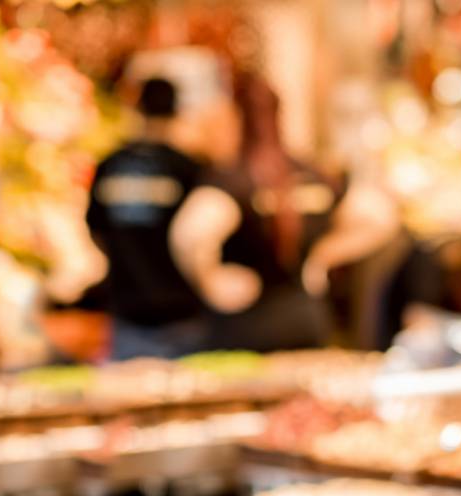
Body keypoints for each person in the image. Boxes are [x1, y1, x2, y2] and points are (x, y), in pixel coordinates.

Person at [170, 72, 397, 353]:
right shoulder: (311, 175)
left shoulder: (232, 181)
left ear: (236, 118)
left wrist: (211, 279)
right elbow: (379, 217)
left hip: (246, 329)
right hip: (306, 320)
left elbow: (189, 235)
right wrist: (323, 256)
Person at [86, 77, 210, 360]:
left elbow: (95, 231)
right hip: (183, 312)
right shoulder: (188, 169)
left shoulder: (110, 166)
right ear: (177, 111)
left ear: (137, 107)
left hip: (128, 309)